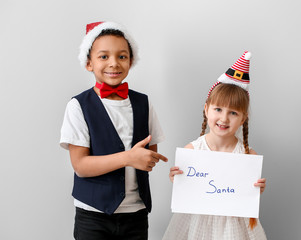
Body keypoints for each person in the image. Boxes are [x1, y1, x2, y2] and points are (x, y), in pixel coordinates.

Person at [60, 21, 168, 240]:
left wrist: (148, 158)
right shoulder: (78, 106)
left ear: (131, 60)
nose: (114, 63)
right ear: (88, 63)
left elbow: (150, 155)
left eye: (122, 56)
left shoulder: (143, 103)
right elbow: (80, 165)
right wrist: (128, 157)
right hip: (93, 215)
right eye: (103, 56)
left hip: (135, 213)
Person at [163, 51, 267, 240]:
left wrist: (256, 189)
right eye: (218, 109)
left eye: (233, 113)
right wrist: (177, 179)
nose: (224, 118)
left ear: (243, 118)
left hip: (234, 226)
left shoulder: (248, 155)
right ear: (206, 109)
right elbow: (185, 189)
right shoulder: (192, 151)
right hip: (195, 223)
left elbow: (247, 194)